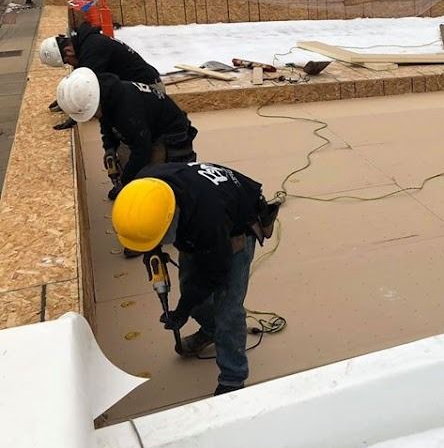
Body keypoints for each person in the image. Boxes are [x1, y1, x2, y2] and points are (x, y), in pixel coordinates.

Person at [111, 162, 280, 395]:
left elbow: (214, 274)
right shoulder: (143, 190)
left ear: (171, 218)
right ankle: (211, 330)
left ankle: (233, 378)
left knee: (228, 309)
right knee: (191, 289)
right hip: (199, 212)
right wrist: (151, 249)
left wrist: (182, 309)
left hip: (235, 227)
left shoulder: (208, 221)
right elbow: (147, 229)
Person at [55, 68, 198, 199]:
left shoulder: (127, 110)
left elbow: (142, 150)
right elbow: (106, 123)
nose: (92, 116)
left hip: (172, 132)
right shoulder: (107, 94)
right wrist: (109, 148)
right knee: (127, 158)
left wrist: (124, 184)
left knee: (157, 181)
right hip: (148, 126)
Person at [39, 22, 163, 130]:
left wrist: (75, 117)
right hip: (134, 87)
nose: (69, 64)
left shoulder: (93, 50)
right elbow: (81, 76)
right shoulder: (86, 44)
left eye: (67, 61)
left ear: (68, 51)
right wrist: (66, 99)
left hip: (150, 90)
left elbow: (89, 87)